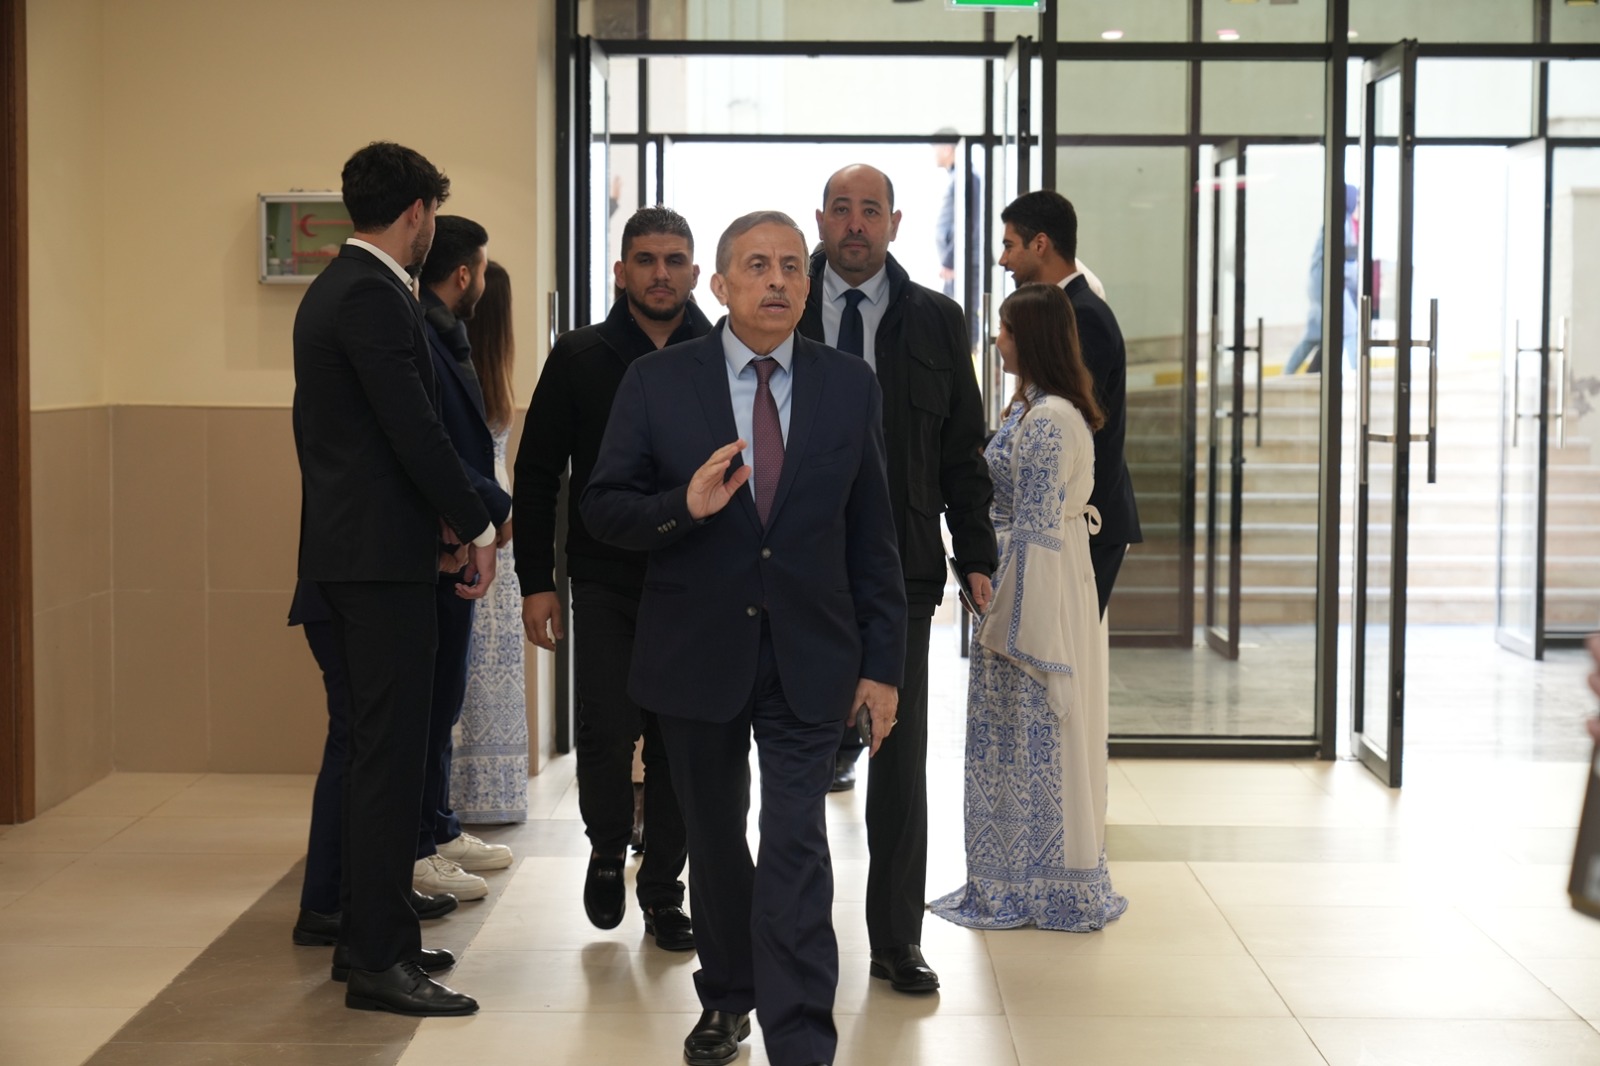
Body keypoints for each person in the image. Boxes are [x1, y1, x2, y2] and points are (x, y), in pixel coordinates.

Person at [582, 211, 907, 1066]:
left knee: (796, 839)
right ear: (720, 285)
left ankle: (801, 1037)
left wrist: (883, 666)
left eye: (793, 266)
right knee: (718, 842)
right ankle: (728, 998)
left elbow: (873, 535)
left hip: (813, 655)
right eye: (757, 265)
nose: (777, 281)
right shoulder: (658, 381)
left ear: (809, 284)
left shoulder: (848, 385)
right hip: (696, 652)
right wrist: (679, 508)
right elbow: (602, 507)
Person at [292, 141, 495, 1015]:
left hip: (361, 555)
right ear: (417, 214)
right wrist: (478, 521)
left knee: (381, 754)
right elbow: (413, 428)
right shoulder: (373, 295)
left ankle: (371, 938)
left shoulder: (337, 288)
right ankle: (379, 960)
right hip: (377, 567)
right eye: (433, 216)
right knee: (390, 760)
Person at [797, 163, 997, 995]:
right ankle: (797, 939)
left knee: (898, 761)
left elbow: (962, 448)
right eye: (842, 210)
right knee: (798, 762)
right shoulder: (781, 303)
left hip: (904, 569)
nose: (856, 224)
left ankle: (896, 940)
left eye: (870, 210)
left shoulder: (937, 321)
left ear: (895, 222)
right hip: (797, 572)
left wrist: (975, 552)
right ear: (820, 220)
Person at [515, 206, 708, 950]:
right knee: (604, 729)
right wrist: (537, 580)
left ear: (696, 273)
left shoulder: (718, 354)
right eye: (646, 260)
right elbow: (538, 475)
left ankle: (663, 891)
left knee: (678, 740)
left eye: (675, 260)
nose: (661, 273)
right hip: (603, 575)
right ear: (621, 271)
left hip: (695, 580)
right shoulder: (580, 355)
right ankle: (605, 848)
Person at [931, 283, 1128, 933]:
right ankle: (1020, 874)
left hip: (1032, 598)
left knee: (1036, 732)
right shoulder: (1040, 409)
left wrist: (1013, 625)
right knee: (1021, 740)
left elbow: (1037, 534)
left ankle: (1035, 882)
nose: (997, 340)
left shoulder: (1047, 421)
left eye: (1007, 330)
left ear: (1032, 339)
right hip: (1031, 584)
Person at [411, 218, 517, 897]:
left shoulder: (444, 333)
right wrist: (494, 510)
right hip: (436, 547)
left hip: (459, 543)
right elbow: (437, 450)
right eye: (480, 267)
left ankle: (439, 826)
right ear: (463, 273)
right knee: (425, 706)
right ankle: (419, 843)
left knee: (444, 699)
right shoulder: (421, 335)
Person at [999, 190, 1140, 616]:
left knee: (1064, 645)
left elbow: (1068, 425)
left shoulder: (1083, 315)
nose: (1003, 260)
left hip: (1084, 519)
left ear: (1040, 244)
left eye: (1009, 245)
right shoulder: (1066, 309)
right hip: (1067, 518)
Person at [450, 259, 530, 824]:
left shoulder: (469, 374)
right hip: (490, 528)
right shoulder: (481, 378)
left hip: (484, 525)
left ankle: (461, 796)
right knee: (477, 665)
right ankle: (484, 796)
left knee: (468, 667)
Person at [1283, 183, 1360, 375]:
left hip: (1318, 284)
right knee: (1351, 326)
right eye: (1357, 201)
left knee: (1314, 334)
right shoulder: (1342, 223)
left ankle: (1287, 373)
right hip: (1328, 284)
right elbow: (1345, 261)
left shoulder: (1336, 220)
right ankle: (1357, 373)